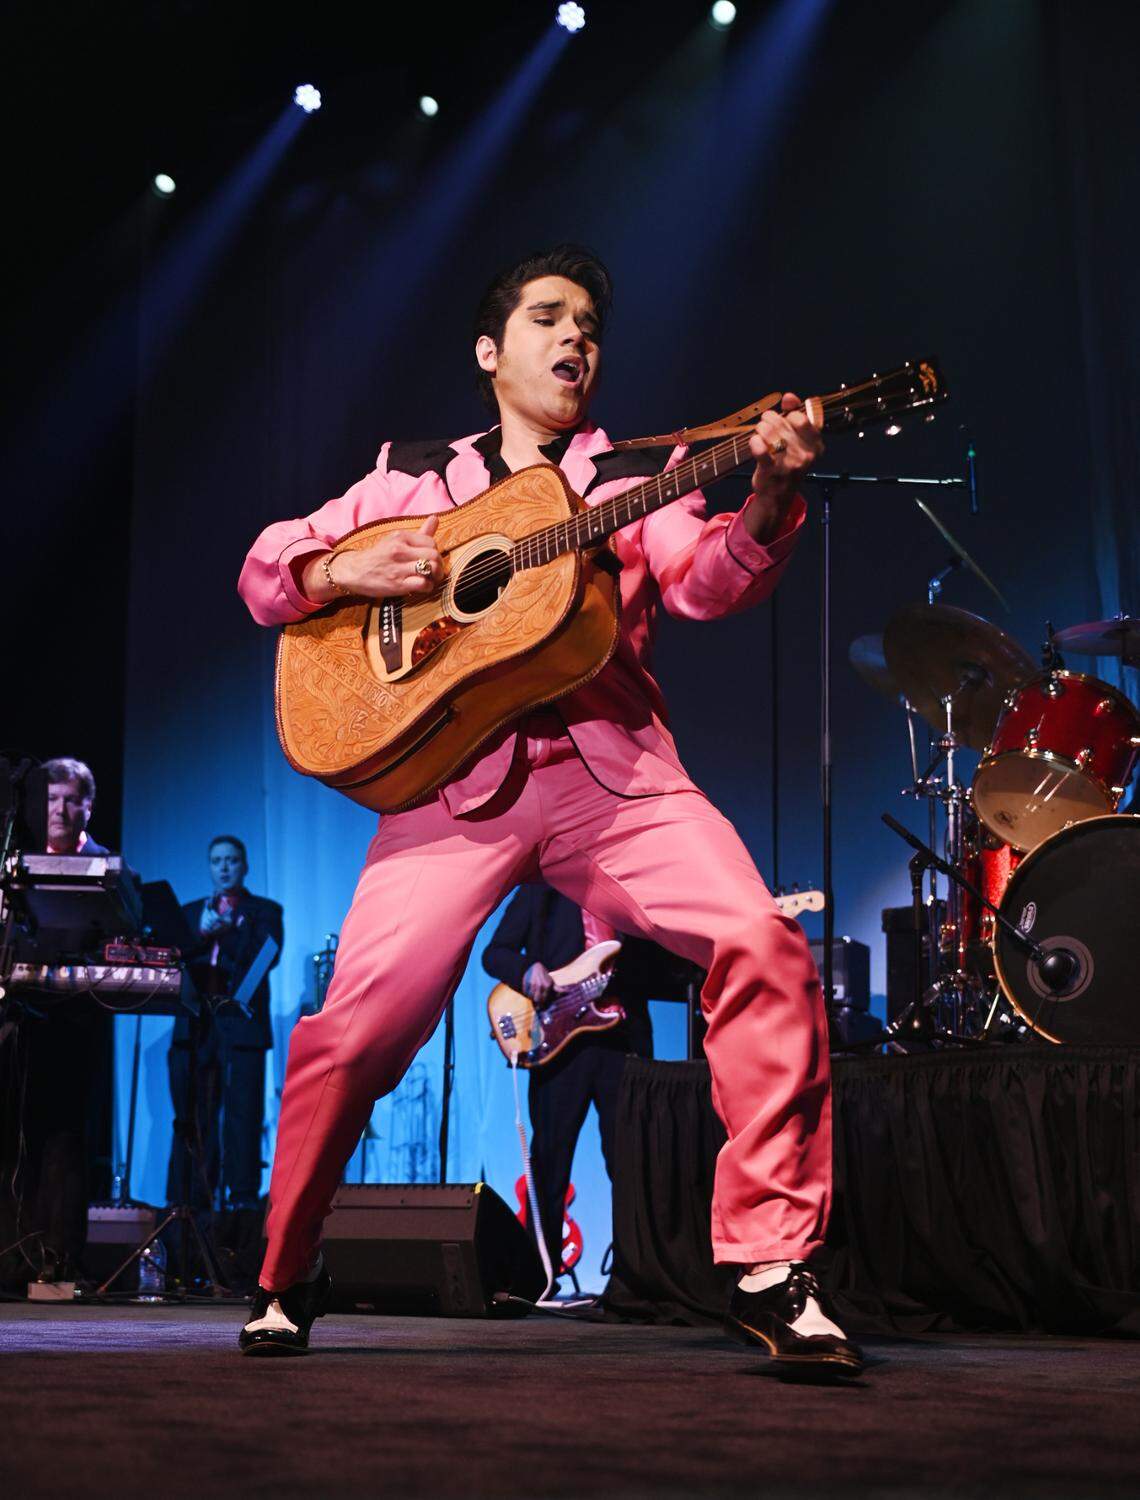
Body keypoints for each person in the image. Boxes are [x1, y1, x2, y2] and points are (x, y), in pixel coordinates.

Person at [235, 244, 861, 1374]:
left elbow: (708, 578)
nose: (576, 339)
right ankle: (288, 1269)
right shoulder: (407, 479)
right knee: (354, 1032)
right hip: (453, 791)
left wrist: (769, 494)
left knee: (761, 943)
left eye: (588, 325)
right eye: (547, 318)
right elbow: (266, 566)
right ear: (492, 352)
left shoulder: (629, 476)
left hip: (612, 776)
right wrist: (338, 575)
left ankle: (771, 1266)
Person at [481, 882, 655, 1284]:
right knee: (549, 1162)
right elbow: (496, 952)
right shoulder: (542, 891)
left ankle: (634, 1279)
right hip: (558, 1042)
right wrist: (527, 971)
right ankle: (538, 1275)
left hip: (621, 1039)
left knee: (629, 1161)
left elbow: (660, 962)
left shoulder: (630, 891)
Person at [8, 758, 110, 1281]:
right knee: (17, 1134)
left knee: (65, 1137)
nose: (60, 810)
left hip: (76, 1020)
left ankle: (60, 1256)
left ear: (87, 805)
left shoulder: (110, 871)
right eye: (50, 800)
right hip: (20, 1019)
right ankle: (15, 1255)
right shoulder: (15, 869)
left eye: (70, 799)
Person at [166, 836, 283, 1212]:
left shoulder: (265, 911)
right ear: (209, 866)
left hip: (242, 1028)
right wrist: (202, 934)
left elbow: (266, 956)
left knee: (242, 1114)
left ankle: (242, 1201)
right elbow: (173, 957)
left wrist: (227, 932)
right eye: (217, 860)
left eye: (232, 860)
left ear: (244, 865)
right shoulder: (188, 912)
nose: (225, 867)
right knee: (194, 1114)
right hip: (197, 1027)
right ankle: (193, 1201)